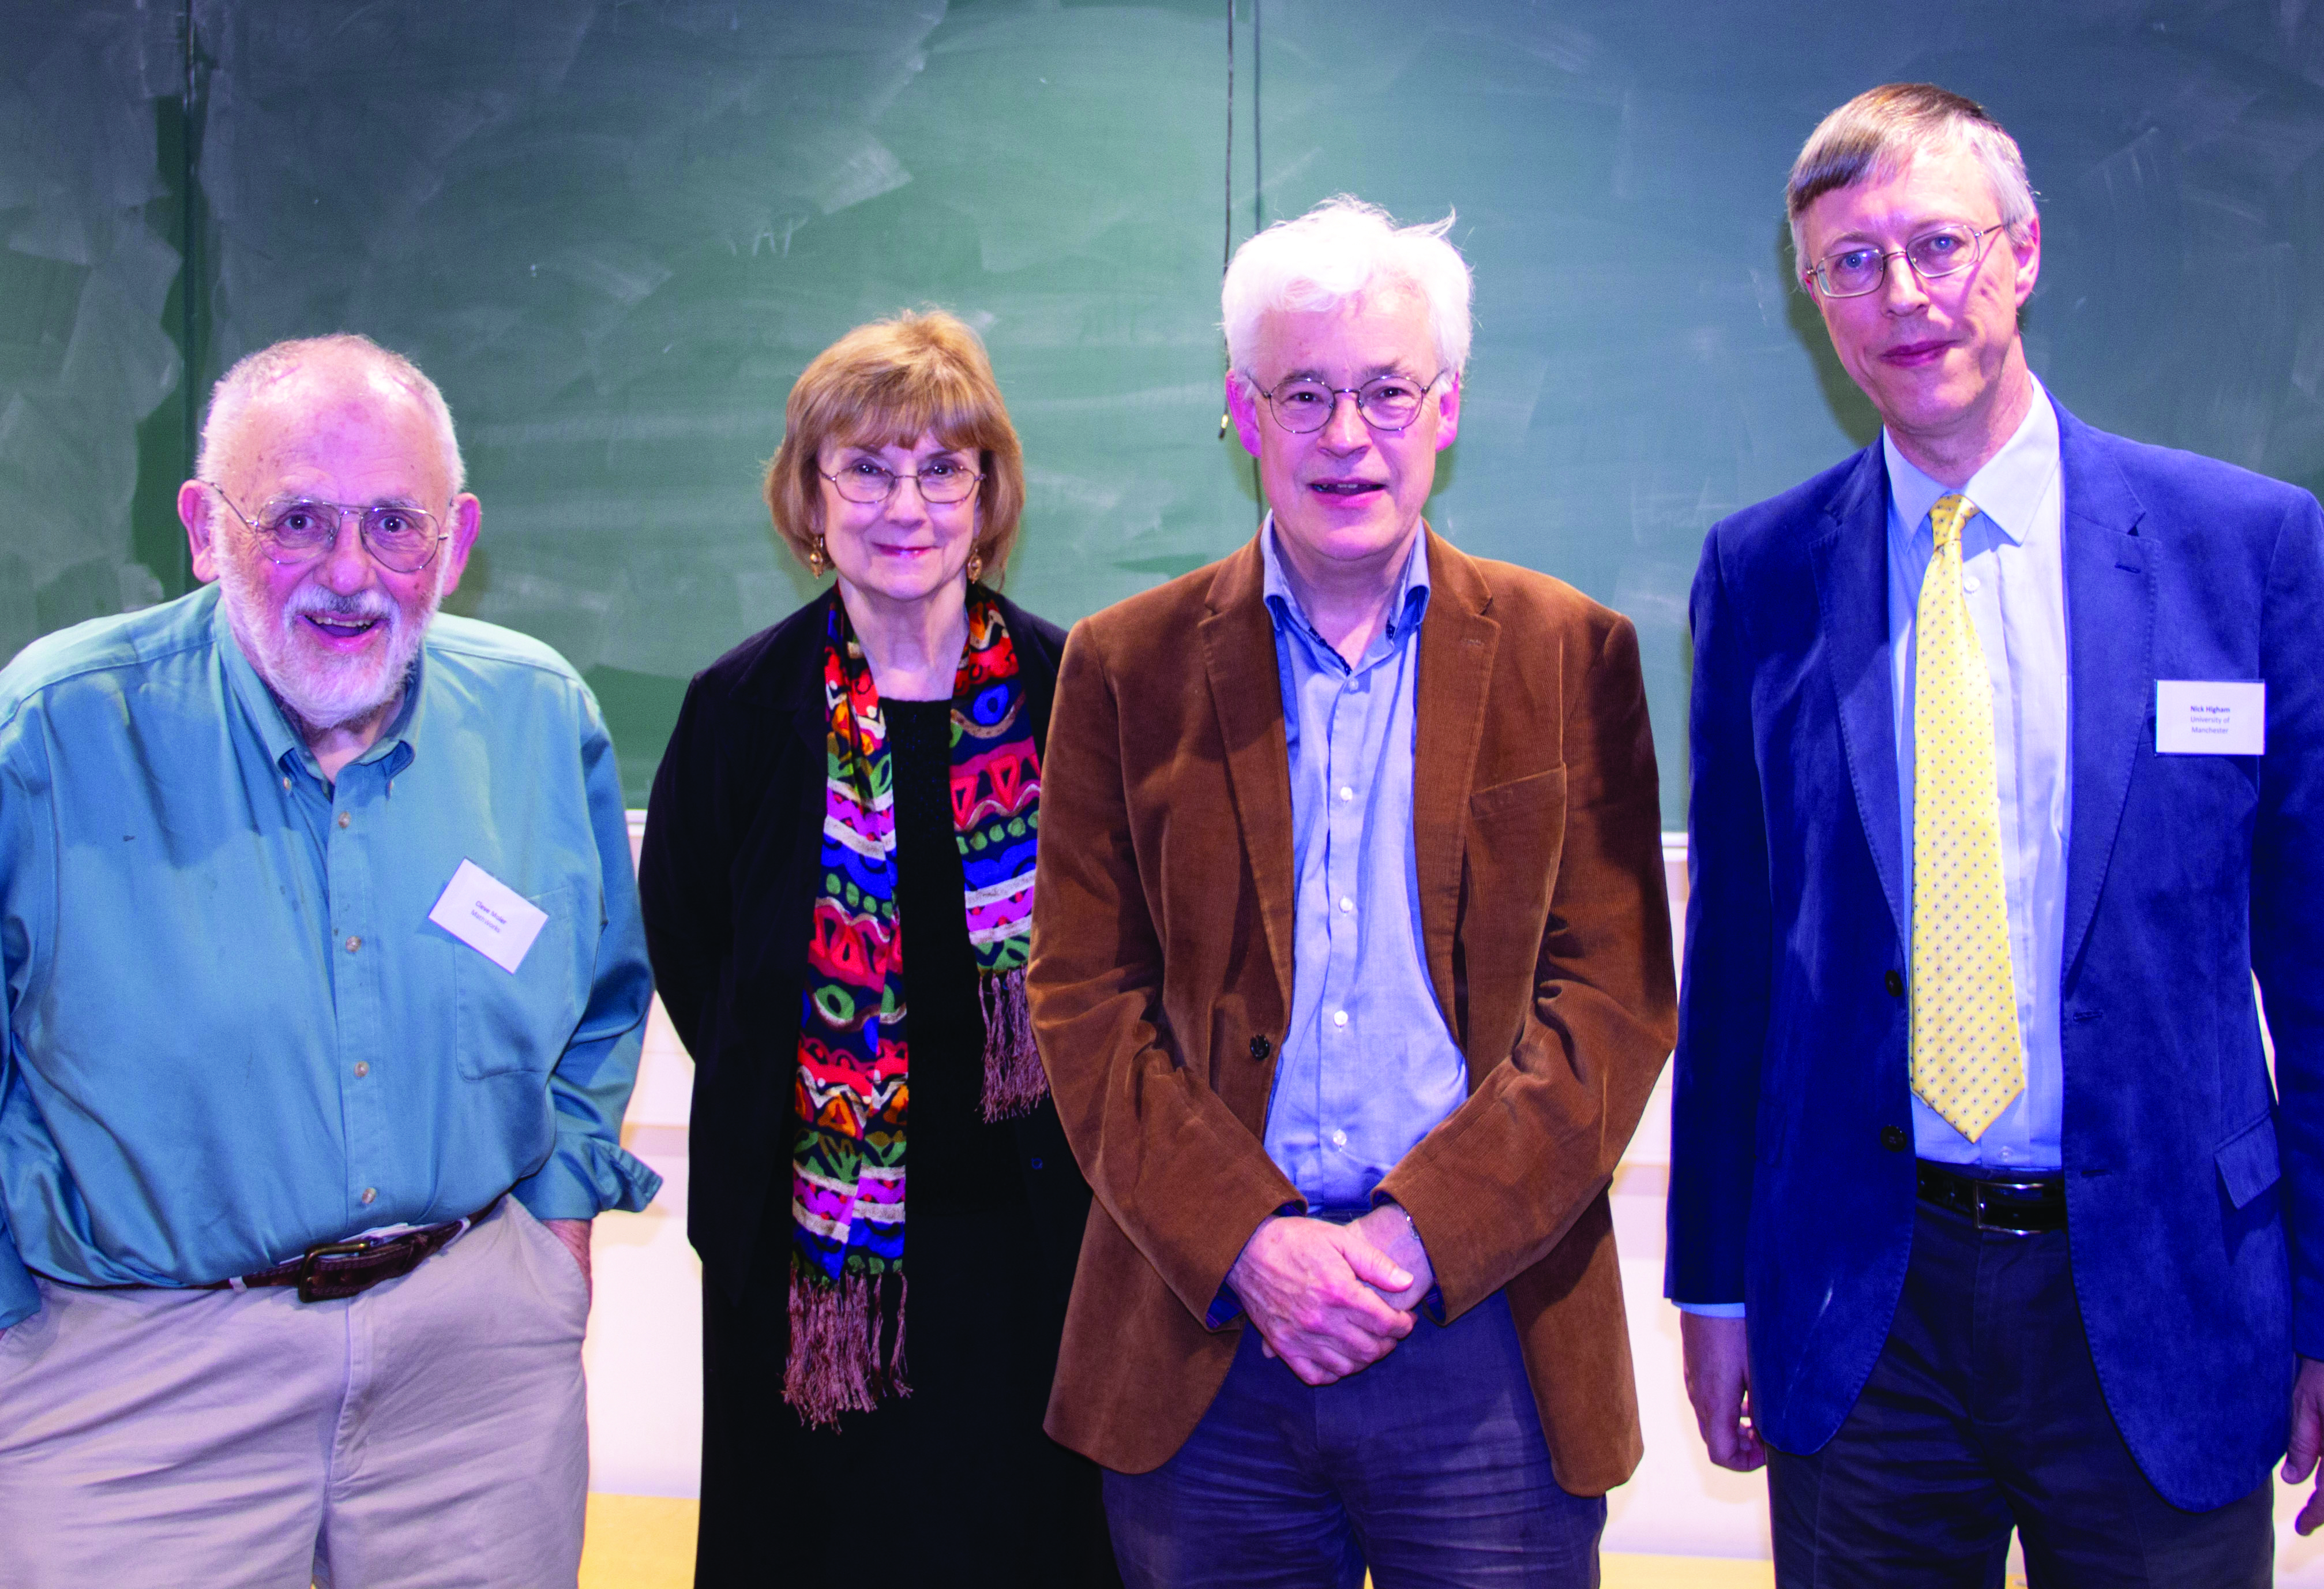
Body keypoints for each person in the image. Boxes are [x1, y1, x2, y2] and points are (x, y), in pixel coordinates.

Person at [1668, 82, 2324, 1586]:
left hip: (2166, 1292)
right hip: (1864, 1307)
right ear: (1810, 299)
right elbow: (1740, 971)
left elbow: (2309, 963)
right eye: (1850, 263)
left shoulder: (2243, 550)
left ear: (2020, 253)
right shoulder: (1762, 575)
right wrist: (1711, 1285)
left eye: (1937, 245)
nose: (1900, 296)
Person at [1027, 196, 1677, 1588]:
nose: (1345, 436)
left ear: (1444, 409)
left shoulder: (1575, 655)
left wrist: (1414, 1238)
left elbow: (1610, 1004)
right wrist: (1252, 1242)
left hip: (1487, 1336)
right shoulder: (1123, 667)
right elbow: (1085, 1002)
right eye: (1303, 393)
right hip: (1207, 1346)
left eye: (1385, 391)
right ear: (1240, 413)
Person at [0, 333, 656, 1586]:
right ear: (204, 528)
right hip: (139, 1388)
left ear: (455, 543)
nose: (350, 575)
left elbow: (602, 1003)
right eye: (297, 520)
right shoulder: (56, 732)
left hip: (471, 1379)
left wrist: (561, 1216)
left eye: (394, 526)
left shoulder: (534, 717)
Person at [639, 309, 1114, 1586]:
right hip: (816, 1271)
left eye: (941, 468)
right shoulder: (738, 712)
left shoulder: (1082, 697)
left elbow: (1131, 969)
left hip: (1037, 1260)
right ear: (809, 497)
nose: (905, 504)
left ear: (987, 495)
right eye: (865, 466)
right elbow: (695, 957)